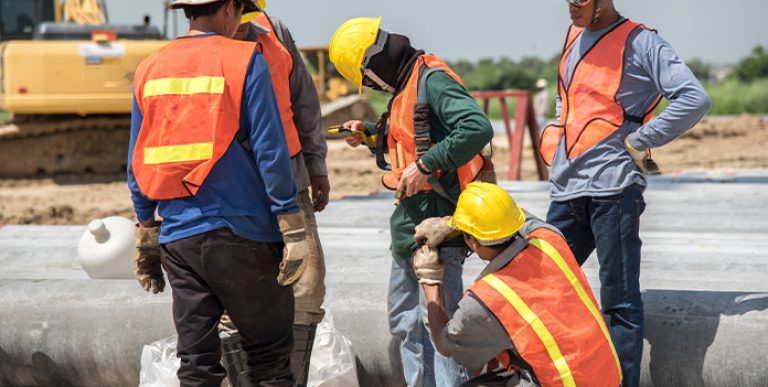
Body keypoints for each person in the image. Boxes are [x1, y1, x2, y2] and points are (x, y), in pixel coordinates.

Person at [127, 0, 309, 385]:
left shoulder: (150, 68)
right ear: (228, 7)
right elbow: (270, 150)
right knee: (270, 359)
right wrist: (291, 221)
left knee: (196, 364)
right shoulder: (245, 60)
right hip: (244, 233)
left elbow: (138, 159)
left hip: (179, 241)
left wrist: (147, 230)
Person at [538, 1, 712, 386]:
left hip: (613, 191)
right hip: (567, 190)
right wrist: (556, 133)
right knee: (543, 286)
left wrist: (639, 140)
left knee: (618, 301)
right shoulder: (573, 36)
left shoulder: (641, 42)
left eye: (581, 0)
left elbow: (693, 98)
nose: (573, 6)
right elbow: (568, 97)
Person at [329, 17, 494, 387]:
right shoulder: (406, 86)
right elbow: (410, 138)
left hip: (438, 228)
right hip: (409, 227)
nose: (372, 86)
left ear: (373, 65)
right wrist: (370, 135)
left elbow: (477, 127)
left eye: (367, 79)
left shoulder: (431, 81)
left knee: (442, 326)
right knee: (406, 321)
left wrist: (425, 165)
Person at [413, 182, 622, 387]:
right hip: (609, 377)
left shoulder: (486, 299)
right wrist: (454, 223)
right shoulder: (550, 240)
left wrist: (430, 281)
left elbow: (444, 344)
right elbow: (515, 217)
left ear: (473, 242)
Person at [218, 3, 329, 386]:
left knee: (308, 288)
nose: (240, 28)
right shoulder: (201, 47)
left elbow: (304, 100)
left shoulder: (274, 32)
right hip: (233, 193)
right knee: (237, 298)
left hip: (291, 180)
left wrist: (316, 165)